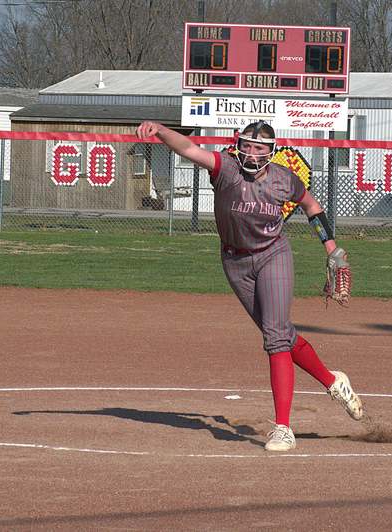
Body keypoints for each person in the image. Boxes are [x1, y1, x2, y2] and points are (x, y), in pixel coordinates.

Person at [135, 120, 364, 452]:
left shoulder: (284, 179)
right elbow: (188, 149)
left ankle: (283, 428)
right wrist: (160, 130)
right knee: (280, 334)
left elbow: (312, 207)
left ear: (271, 152)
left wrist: (331, 247)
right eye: (247, 146)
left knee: (275, 337)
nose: (252, 153)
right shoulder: (226, 169)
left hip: (273, 254)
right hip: (235, 262)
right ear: (238, 145)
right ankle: (333, 381)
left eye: (259, 148)